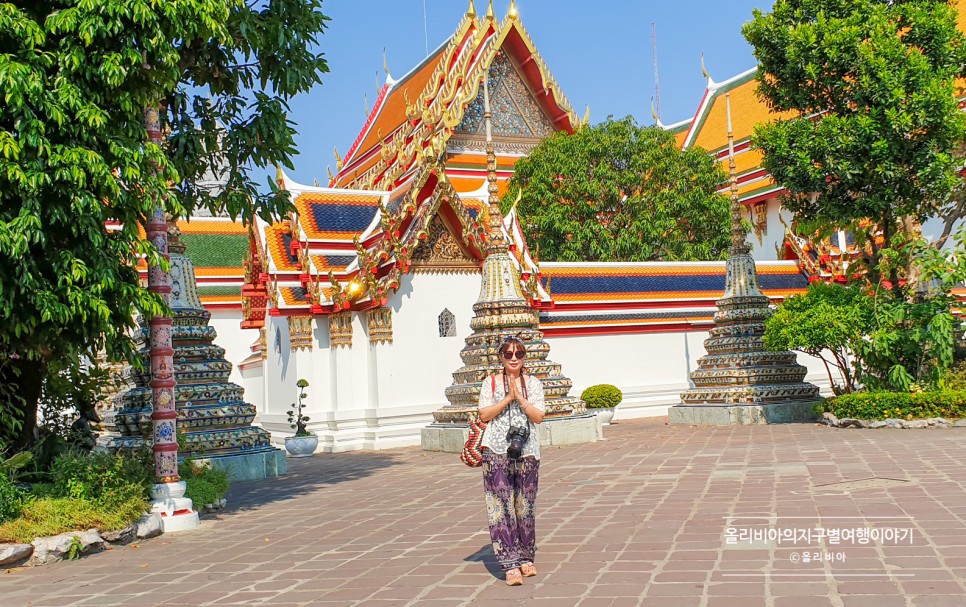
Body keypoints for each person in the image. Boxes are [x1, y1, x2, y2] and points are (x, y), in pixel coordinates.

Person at [477, 335, 545, 586]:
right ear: (501, 357)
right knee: (500, 506)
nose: (514, 358)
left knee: (524, 506)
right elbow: (484, 414)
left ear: (524, 357)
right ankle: (509, 563)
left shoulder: (534, 383)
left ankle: (526, 557)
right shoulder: (490, 383)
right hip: (496, 450)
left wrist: (521, 399)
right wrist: (507, 398)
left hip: (527, 451)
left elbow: (538, 417)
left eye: (518, 354)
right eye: (508, 354)